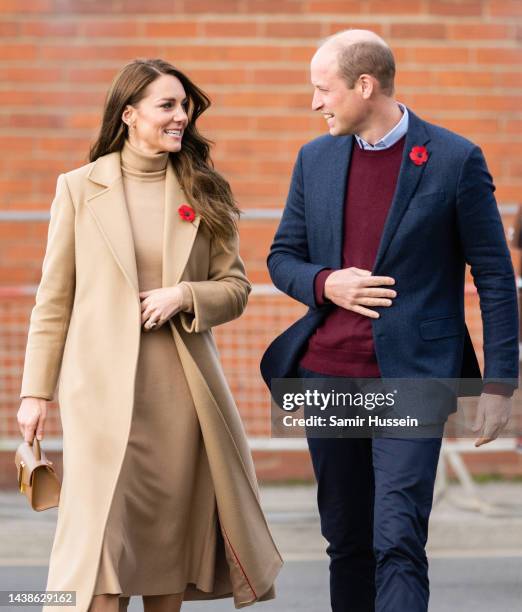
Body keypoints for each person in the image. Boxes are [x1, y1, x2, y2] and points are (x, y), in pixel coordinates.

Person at [261, 30, 518, 612]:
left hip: (413, 377)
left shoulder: (455, 159)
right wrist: (329, 282)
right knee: (347, 541)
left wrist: (500, 384)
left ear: (365, 86)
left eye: (323, 90)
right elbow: (282, 257)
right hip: (328, 377)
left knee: (398, 537)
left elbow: (496, 279)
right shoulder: (315, 158)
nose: (315, 103)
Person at [18, 58, 282, 612]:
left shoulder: (204, 189)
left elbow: (235, 287)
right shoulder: (77, 188)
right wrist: (33, 393)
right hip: (98, 398)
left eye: (184, 105)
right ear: (129, 114)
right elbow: (53, 299)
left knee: (165, 553)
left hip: (180, 398)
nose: (180, 116)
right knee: (99, 558)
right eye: (167, 105)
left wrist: (184, 296)